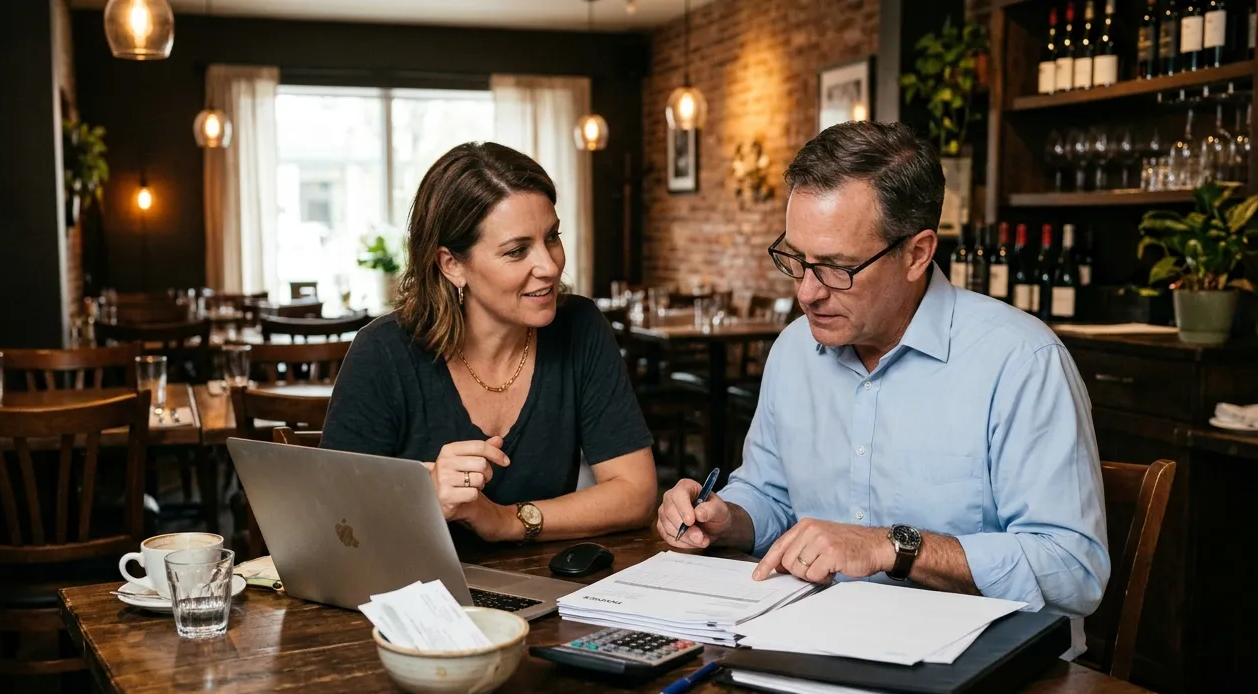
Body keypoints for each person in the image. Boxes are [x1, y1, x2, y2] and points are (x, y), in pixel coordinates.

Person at [657, 121, 1110, 658]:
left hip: (990, 672)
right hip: (821, 645)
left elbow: (1073, 570)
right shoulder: (794, 351)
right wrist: (725, 517)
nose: (807, 292)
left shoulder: (1021, 362)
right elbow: (772, 494)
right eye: (796, 260)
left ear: (917, 254)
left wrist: (891, 546)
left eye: (837, 268)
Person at [321, 141, 657, 545]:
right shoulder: (383, 352)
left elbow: (636, 493)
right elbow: (332, 521)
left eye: (552, 236)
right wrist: (420, 493)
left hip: (543, 588)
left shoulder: (581, 327)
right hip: (407, 596)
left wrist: (507, 521)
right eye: (517, 251)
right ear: (452, 265)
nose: (550, 266)